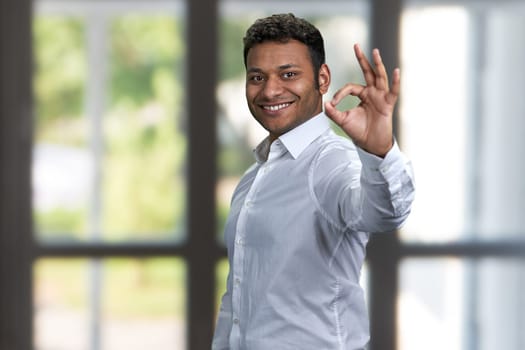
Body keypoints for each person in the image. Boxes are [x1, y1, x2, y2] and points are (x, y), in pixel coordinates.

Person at [212, 13, 415, 350]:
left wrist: (379, 151)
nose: (270, 90)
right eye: (257, 77)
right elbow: (238, 302)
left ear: (323, 79)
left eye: (288, 74)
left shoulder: (331, 162)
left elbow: (384, 212)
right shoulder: (253, 179)